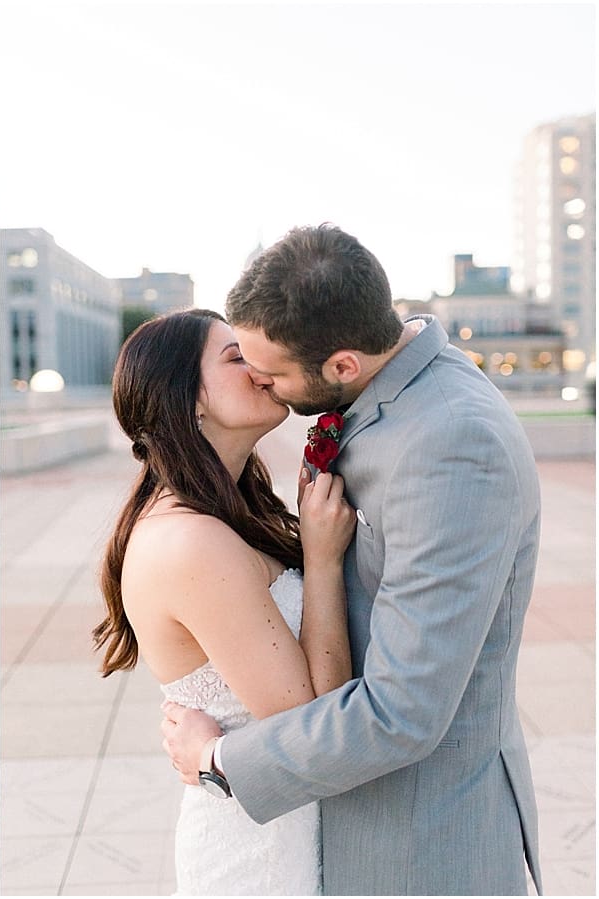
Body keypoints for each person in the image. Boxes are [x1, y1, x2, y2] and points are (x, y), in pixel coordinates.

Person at [161, 224, 543, 895]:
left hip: (417, 848)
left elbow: (403, 713)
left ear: (342, 364)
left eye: (275, 374)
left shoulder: (453, 444)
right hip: (344, 826)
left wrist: (218, 758)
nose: (266, 385)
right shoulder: (384, 391)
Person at [93, 307, 357, 895]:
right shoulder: (191, 541)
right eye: (236, 358)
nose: (260, 368)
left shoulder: (221, 514)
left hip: (283, 830)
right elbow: (315, 721)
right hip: (257, 860)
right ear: (189, 401)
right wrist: (321, 558)